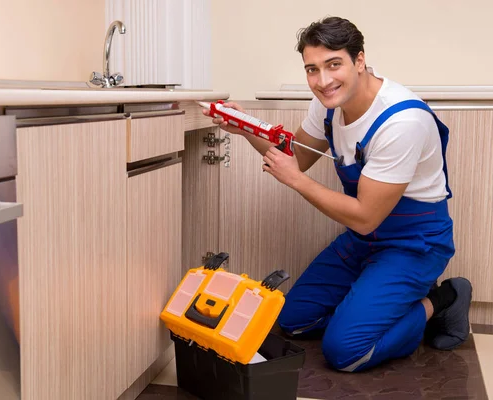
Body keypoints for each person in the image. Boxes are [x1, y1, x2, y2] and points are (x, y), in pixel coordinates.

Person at [202, 16, 472, 372]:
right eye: (312, 69)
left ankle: (440, 300)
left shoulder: (401, 121)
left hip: (414, 243)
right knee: (293, 321)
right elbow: (295, 158)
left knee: (347, 353)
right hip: (363, 241)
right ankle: (374, 302)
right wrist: (244, 128)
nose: (323, 81)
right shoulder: (328, 106)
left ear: (359, 61)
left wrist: (295, 181)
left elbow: (364, 215)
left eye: (333, 65)